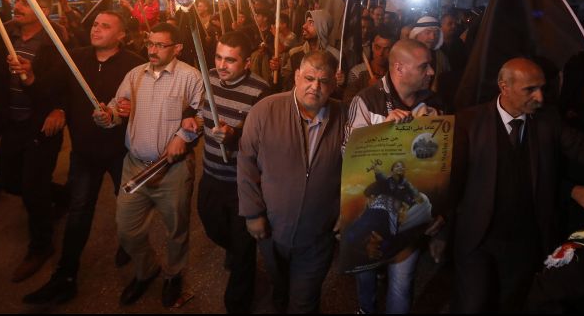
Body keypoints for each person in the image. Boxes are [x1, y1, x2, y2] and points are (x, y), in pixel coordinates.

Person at [440, 57, 584, 312]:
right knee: (473, 304)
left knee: (512, 303)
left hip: (526, 239)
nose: (540, 97)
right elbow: (446, 179)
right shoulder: (468, 122)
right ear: (504, 87)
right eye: (530, 90)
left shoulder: (548, 119)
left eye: (542, 88)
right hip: (477, 237)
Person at [23, 11, 144, 305]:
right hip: (84, 152)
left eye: (105, 26)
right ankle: (65, 276)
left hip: (121, 151)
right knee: (79, 211)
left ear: (121, 35)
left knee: (129, 207)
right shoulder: (75, 57)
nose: (96, 29)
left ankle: (130, 246)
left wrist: (132, 110)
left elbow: (150, 105)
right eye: (95, 24)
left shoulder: (135, 65)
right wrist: (30, 78)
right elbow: (50, 89)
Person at [93, 22, 203, 308]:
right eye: (149, 43)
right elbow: (116, 107)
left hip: (173, 169)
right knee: (126, 229)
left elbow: (202, 115)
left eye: (160, 45)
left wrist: (183, 136)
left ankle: (173, 275)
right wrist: (108, 116)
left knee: (176, 230)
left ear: (177, 48)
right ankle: (147, 269)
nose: (152, 50)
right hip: (135, 166)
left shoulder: (190, 77)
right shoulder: (134, 75)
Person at [238, 51, 346, 313]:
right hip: (272, 229)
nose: (315, 87)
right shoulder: (266, 110)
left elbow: (362, 166)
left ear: (333, 84)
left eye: (323, 81)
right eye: (309, 78)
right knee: (279, 284)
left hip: (318, 234)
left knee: (304, 300)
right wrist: (252, 213)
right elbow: (246, 162)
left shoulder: (346, 117)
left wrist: (348, 211)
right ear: (297, 76)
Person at [345, 39, 442, 314]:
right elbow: (347, 155)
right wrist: (382, 131)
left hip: (408, 216)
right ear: (399, 68)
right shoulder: (367, 100)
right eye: (424, 66)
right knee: (365, 273)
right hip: (369, 211)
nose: (431, 72)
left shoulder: (434, 104)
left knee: (402, 285)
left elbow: (440, 164)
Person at [0, 0, 69, 283]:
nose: (17, 6)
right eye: (18, 1)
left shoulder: (56, 43)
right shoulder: (4, 37)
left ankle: (41, 246)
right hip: (12, 123)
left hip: (41, 124)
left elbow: (66, 84)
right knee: (9, 179)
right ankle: (62, 196)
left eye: (26, 3)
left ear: (43, 12)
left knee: (33, 190)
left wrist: (59, 108)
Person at [189, 31, 270, 313]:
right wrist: (192, 121)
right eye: (218, 57)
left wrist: (234, 135)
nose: (221, 66)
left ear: (247, 62)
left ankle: (237, 304)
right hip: (211, 175)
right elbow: (200, 112)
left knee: (244, 247)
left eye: (230, 60)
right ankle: (235, 250)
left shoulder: (261, 91)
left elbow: (262, 139)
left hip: (242, 183)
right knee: (212, 226)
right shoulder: (208, 78)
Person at [271, 10, 340, 92]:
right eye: (305, 22)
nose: (304, 26)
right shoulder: (295, 53)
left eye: (311, 23)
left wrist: (341, 84)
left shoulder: (335, 56)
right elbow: (284, 83)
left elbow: (339, 92)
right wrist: (277, 70)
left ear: (322, 27)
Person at [343, 28, 395, 103]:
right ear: (372, 46)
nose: (380, 53)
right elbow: (348, 104)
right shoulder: (357, 72)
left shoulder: (395, 75)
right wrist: (369, 90)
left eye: (387, 49)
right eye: (377, 47)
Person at [409, 16, 450, 94]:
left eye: (436, 33)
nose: (433, 37)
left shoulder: (441, 57)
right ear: (416, 34)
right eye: (428, 33)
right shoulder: (406, 53)